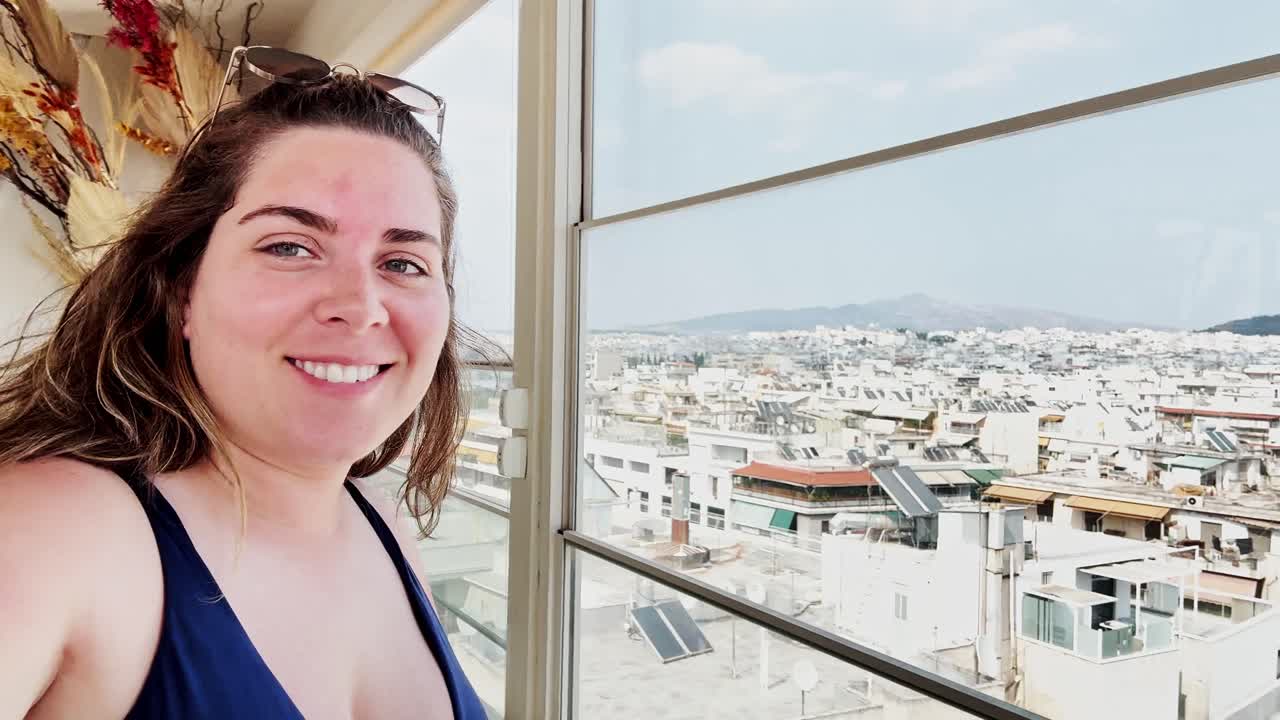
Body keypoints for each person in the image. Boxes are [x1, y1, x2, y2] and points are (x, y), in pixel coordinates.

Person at [0, 47, 489, 719]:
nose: (361, 304)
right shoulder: (63, 527)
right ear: (182, 293)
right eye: (289, 246)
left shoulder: (387, 529)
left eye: (403, 262)